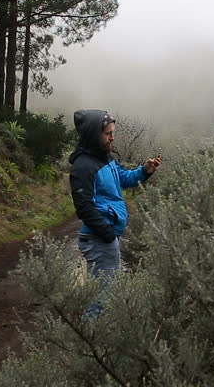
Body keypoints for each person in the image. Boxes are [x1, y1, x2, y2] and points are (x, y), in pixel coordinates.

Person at [69, 109, 161, 318]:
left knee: (106, 291)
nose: (112, 137)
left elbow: (125, 179)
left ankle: (97, 339)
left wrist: (144, 170)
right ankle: (92, 342)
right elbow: (83, 207)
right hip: (99, 238)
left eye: (113, 132)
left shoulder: (106, 158)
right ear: (94, 134)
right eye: (108, 133)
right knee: (101, 298)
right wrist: (108, 234)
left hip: (105, 238)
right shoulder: (83, 166)